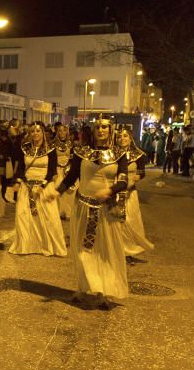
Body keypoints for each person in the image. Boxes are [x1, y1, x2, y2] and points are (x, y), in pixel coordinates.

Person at [44, 116, 129, 309]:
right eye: (98, 127)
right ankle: (83, 287)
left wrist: (109, 191)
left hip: (105, 210)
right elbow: (72, 176)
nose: (101, 130)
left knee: (105, 251)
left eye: (105, 128)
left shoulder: (119, 153)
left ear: (110, 131)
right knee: (82, 250)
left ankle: (104, 291)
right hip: (83, 207)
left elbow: (123, 181)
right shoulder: (81, 152)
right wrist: (56, 193)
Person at [8, 121, 67, 257]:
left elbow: (52, 170)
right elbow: (21, 168)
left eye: (38, 131)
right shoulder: (25, 148)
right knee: (23, 216)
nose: (35, 133)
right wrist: (17, 181)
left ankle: (49, 245)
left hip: (44, 186)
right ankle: (26, 245)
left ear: (43, 133)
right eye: (33, 131)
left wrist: (43, 186)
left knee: (49, 218)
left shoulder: (51, 149)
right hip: (26, 186)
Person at [112, 127, 155, 259]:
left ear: (130, 138)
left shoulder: (138, 155)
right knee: (113, 222)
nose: (122, 139)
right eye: (119, 136)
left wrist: (135, 179)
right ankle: (115, 249)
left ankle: (129, 249)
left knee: (129, 221)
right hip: (114, 190)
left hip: (129, 193)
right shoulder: (111, 153)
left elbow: (142, 172)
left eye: (125, 136)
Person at [53, 123, 76, 220]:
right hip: (57, 169)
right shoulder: (53, 144)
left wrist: (69, 168)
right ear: (57, 132)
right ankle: (58, 212)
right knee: (58, 189)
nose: (62, 132)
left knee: (70, 192)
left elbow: (72, 158)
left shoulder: (71, 144)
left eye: (64, 130)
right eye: (60, 130)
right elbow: (52, 159)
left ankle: (68, 212)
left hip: (68, 170)